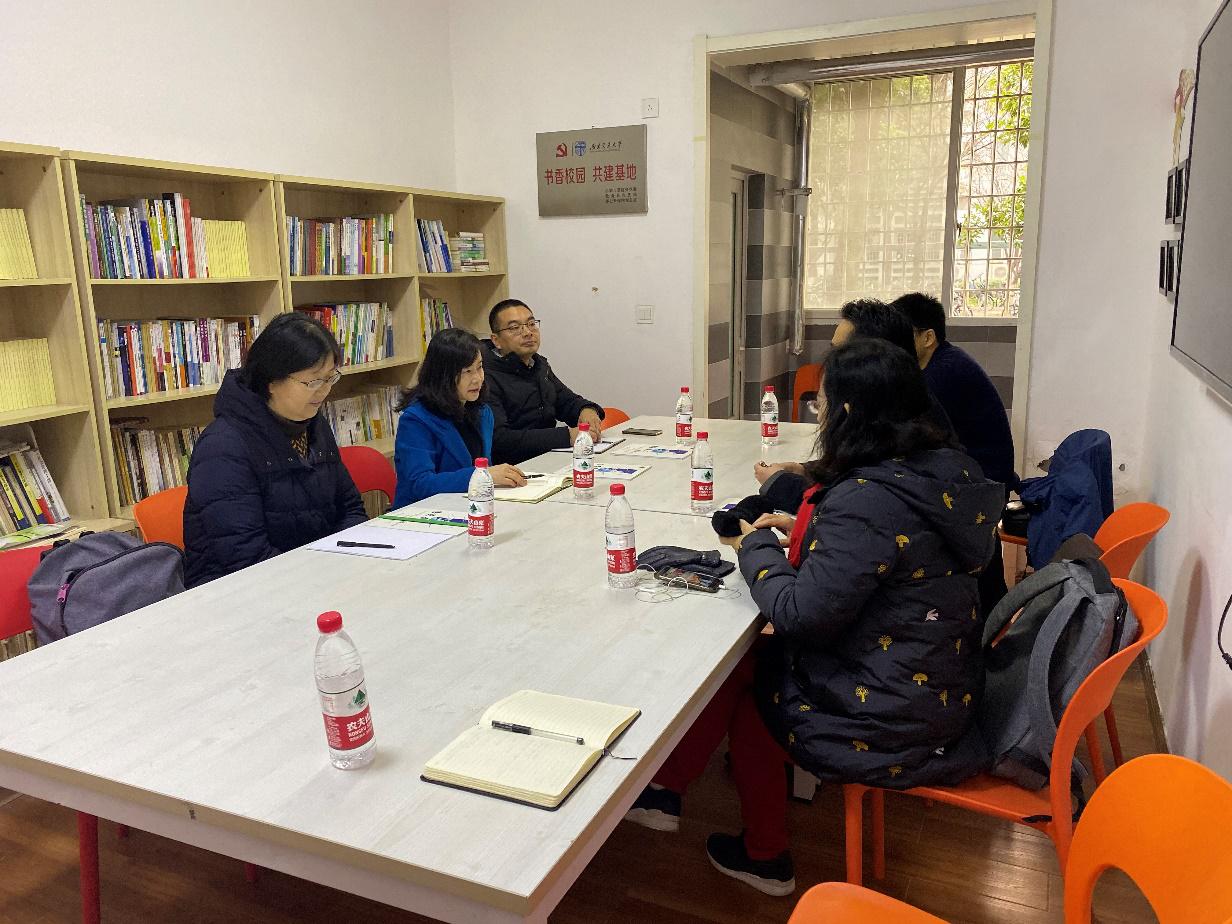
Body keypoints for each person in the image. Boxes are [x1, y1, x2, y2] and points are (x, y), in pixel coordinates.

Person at [624, 339, 1002, 896]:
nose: (817, 414)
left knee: (755, 684)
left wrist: (753, 545)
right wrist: (815, 531)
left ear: (847, 411)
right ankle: (672, 794)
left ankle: (748, 843)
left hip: (891, 712)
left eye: (821, 403)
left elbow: (798, 614)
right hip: (936, 679)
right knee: (748, 666)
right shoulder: (944, 473)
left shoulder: (869, 497)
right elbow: (881, 560)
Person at [183, 313, 367, 588]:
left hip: (311, 577)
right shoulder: (223, 448)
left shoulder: (312, 425)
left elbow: (351, 509)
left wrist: (345, 560)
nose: (324, 391)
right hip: (235, 592)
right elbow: (247, 559)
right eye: (313, 382)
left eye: (330, 378)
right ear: (271, 381)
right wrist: (323, 576)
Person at [754, 298, 955, 511]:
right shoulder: (902, 401)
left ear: (871, 359)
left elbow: (850, 502)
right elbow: (857, 466)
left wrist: (779, 484)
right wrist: (807, 470)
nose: (832, 363)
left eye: (841, 352)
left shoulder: (913, 422)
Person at [892, 292, 1015, 613]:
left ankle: (982, 616)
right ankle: (991, 612)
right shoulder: (941, 363)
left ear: (928, 337)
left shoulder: (942, 374)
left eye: (901, 333)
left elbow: (912, 437)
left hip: (981, 484)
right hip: (980, 477)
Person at [394, 327, 528, 507]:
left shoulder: (482, 412)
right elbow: (420, 484)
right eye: (467, 371)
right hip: (423, 514)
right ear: (443, 375)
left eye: (479, 367)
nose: (477, 379)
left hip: (469, 506)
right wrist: (484, 476)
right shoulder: (416, 420)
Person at [482, 298, 605, 464]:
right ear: (496, 340)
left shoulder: (538, 365)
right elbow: (501, 439)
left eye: (531, 324)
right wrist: (567, 436)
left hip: (548, 459)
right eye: (515, 328)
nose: (527, 332)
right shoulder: (484, 376)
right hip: (513, 467)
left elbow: (567, 402)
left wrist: (587, 410)